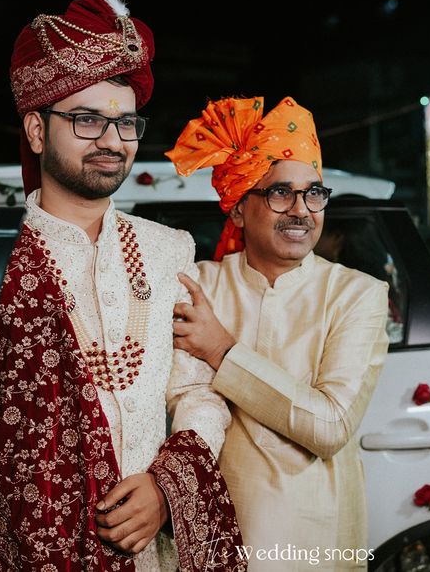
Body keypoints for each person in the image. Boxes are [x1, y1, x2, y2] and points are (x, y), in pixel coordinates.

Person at [0, 0, 244, 572]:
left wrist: (166, 487)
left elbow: (197, 392)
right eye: (87, 119)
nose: (112, 139)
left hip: (147, 554)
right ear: (35, 128)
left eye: (126, 122)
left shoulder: (169, 251)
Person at [165, 96, 390, 569]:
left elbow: (330, 426)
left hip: (315, 542)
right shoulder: (197, 285)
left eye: (314, 194)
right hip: (213, 536)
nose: (302, 210)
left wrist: (223, 352)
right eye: (280, 193)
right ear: (239, 210)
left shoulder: (356, 294)